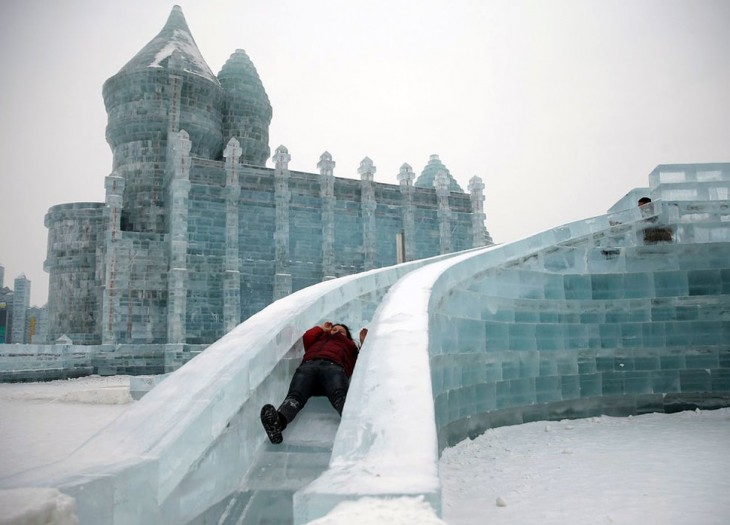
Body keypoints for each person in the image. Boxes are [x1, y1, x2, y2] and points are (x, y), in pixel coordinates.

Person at [260, 321, 368, 444]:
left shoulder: (350, 345)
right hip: (308, 367)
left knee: (340, 396)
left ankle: (353, 423)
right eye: (334, 329)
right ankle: (277, 424)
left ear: (347, 336)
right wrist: (321, 329)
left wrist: (365, 343)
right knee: (294, 397)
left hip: (333, 368)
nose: (337, 331)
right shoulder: (319, 339)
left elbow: (362, 360)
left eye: (341, 331)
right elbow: (308, 337)